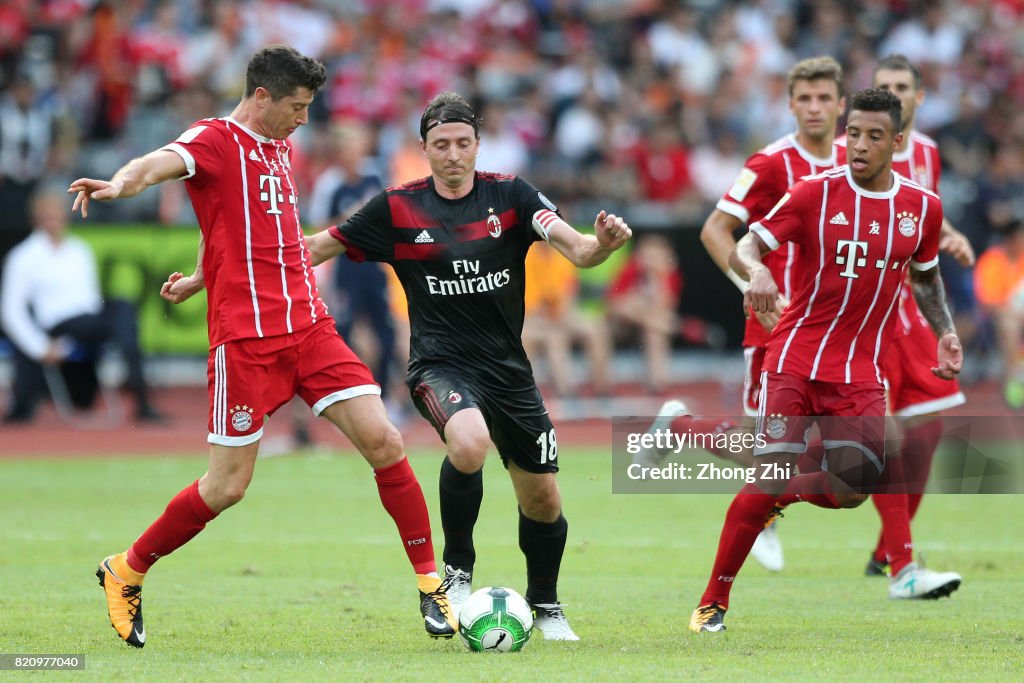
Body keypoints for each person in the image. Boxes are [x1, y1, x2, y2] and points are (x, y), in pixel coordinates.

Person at [68, 45, 456, 648]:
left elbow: (232, 219)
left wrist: (202, 272)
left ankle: (431, 584)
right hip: (246, 342)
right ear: (262, 97)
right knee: (226, 487)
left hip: (308, 325)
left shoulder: (280, 144)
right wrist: (119, 186)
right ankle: (127, 569)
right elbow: (154, 165)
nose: (304, 119)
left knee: (385, 440)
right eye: (296, 107)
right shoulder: (212, 138)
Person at [305, 91, 633, 640]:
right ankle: (456, 570)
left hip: (509, 372)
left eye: (462, 143)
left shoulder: (512, 196)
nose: (453, 154)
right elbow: (314, 248)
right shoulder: (396, 207)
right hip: (439, 365)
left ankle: (547, 605)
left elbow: (578, 249)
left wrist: (602, 245)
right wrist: (212, 273)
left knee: (543, 499)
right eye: (441, 145)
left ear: (478, 144)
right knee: (469, 441)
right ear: (424, 150)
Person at [689, 88, 963, 634]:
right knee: (768, 474)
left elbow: (927, 277)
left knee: (855, 487)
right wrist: (757, 271)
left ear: (897, 142)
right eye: (853, 134)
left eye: (873, 136)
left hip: (860, 370)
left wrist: (946, 333)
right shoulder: (814, 192)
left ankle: (772, 492)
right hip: (793, 359)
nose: (859, 145)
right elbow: (746, 244)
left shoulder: (921, 208)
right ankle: (712, 602)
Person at [634, 56, 848, 572]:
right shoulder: (771, 163)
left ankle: (682, 428)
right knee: (767, 447)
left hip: (834, 330)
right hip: (777, 324)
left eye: (824, 98)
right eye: (805, 98)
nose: (815, 108)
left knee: (848, 451)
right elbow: (714, 230)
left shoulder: (852, 160)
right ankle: (763, 516)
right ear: (791, 103)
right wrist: (751, 284)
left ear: (841, 105)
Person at [844, 54, 973, 588]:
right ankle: (902, 564)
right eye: (883, 87)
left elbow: (919, 223)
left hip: (908, 317)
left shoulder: (929, 154)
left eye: (901, 87)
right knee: (819, 449)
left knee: (927, 429)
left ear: (918, 98)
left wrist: (948, 238)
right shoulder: (849, 154)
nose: (892, 94)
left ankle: (888, 554)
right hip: (856, 320)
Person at [1, 187, 162, 423]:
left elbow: (90, 298)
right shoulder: (23, 257)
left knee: (123, 306)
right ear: (36, 218)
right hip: (57, 326)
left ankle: (140, 394)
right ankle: (139, 395)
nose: (53, 221)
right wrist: (41, 347)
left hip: (87, 324)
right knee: (120, 319)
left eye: (56, 214)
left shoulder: (80, 251)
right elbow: (11, 311)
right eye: (47, 215)